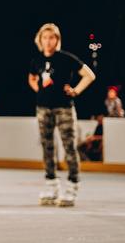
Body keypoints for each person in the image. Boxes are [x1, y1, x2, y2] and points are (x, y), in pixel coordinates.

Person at [28, 22, 96, 207]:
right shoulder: (37, 60)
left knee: (69, 147)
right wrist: (38, 90)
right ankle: (51, 184)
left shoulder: (65, 58)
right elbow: (32, 77)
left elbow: (89, 75)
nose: (48, 41)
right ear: (40, 40)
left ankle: (72, 185)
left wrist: (75, 91)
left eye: (52, 38)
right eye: (45, 38)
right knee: (47, 147)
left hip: (64, 108)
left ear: (57, 40)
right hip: (43, 108)